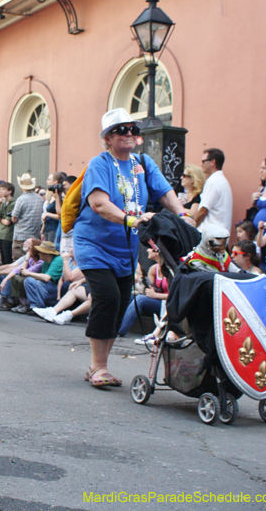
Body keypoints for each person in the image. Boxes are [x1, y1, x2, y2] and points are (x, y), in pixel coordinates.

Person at [75, 108, 190, 388]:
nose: (129, 134)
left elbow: (165, 193)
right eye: (121, 130)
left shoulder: (143, 163)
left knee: (120, 303)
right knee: (107, 298)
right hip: (93, 245)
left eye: (132, 129)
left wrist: (183, 215)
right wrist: (131, 219)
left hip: (124, 249)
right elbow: (98, 203)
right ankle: (98, 366)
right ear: (107, 138)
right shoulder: (100, 164)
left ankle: (99, 365)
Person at [116, 248, 168, 337]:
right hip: (156, 301)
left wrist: (155, 295)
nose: (147, 250)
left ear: (158, 251)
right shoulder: (153, 269)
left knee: (140, 299)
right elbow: (148, 289)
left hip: (167, 305)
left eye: (150, 248)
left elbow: (175, 296)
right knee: (130, 296)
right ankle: (113, 325)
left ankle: (119, 331)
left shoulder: (170, 271)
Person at [194, 148, 233, 233]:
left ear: (212, 162)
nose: (201, 164)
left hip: (210, 234)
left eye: (203, 161)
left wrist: (192, 228)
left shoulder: (213, 182)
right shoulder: (222, 181)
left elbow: (203, 211)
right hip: (219, 233)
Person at [0, 237, 43, 312]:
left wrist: (27, 257)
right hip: (26, 276)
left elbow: (23, 272)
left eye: (30, 247)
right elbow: (17, 269)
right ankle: (4, 298)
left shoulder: (40, 262)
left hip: (34, 280)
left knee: (19, 278)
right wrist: (5, 279)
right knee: (11, 275)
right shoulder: (31, 260)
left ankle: (25, 304)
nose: (28, 250)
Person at [22, 241, 64, 312]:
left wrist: (28, 273)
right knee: (28, 280)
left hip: (59, 288)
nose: (38, 253)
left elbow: (47, 278)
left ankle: (42, 308)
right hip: (50, 286)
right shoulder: (45, 262)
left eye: (40, 252)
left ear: (46, 253)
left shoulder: (57, 260)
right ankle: (34, 307)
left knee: (40, 283)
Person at [11, 173, 43, 261]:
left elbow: (14, 218)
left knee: (19, 261)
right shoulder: (39, 198)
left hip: (21, 236)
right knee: (33, 261)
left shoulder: (21, 199)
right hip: (35, 236)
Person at [0, 181, 15, 266]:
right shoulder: (3, 203)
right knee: (3, 259)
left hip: (8, 235)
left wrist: (1, 219)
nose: (1, 191)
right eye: (0, 189)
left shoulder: (13, 203)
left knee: (8, 259)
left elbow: (7, 222)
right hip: (2, 234)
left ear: (10, 191)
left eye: (3, 189)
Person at [42, 172, 64, 242]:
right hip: (47, 228)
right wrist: (42, 230)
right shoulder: (52, 195)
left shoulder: (60, 196)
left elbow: (60, 215)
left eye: (49, 179)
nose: (47, 181)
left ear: (55, 181)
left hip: (54, 228)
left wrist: (47, 214)